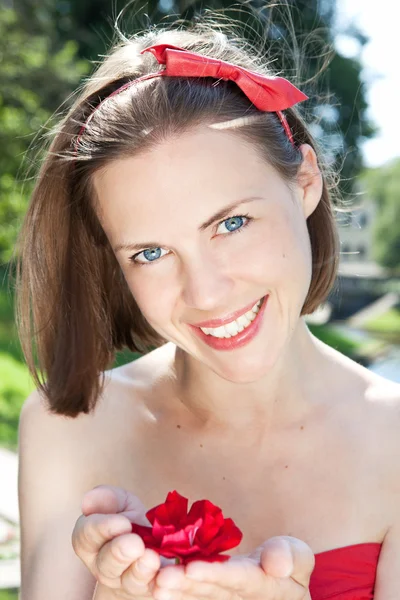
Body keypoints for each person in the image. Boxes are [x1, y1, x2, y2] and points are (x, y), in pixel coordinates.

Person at [14, 16, 400, 600]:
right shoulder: (70, 428)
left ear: (304, 182)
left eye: (231, 223)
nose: (207, 294)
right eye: (150, 252)